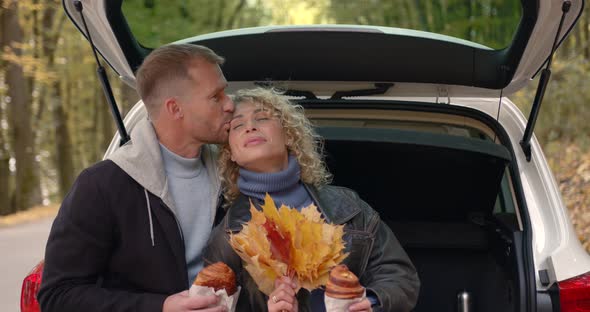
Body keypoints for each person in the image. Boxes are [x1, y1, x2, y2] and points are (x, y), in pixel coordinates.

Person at [38, 44, 235, 312]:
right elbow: (58, 296)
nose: (230, 104)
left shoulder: (236, 172)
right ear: (175, 109)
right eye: (216, 96)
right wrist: (161, 307)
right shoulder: (102, 186)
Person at [203, 88, 420, 312]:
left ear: (288, 135)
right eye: (238, 125)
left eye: (262, 118)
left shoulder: (349, 206)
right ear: (231, 153)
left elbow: (400, 277)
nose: (250, 126)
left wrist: (369, 303)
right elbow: (212, 304)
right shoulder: (229, 234)